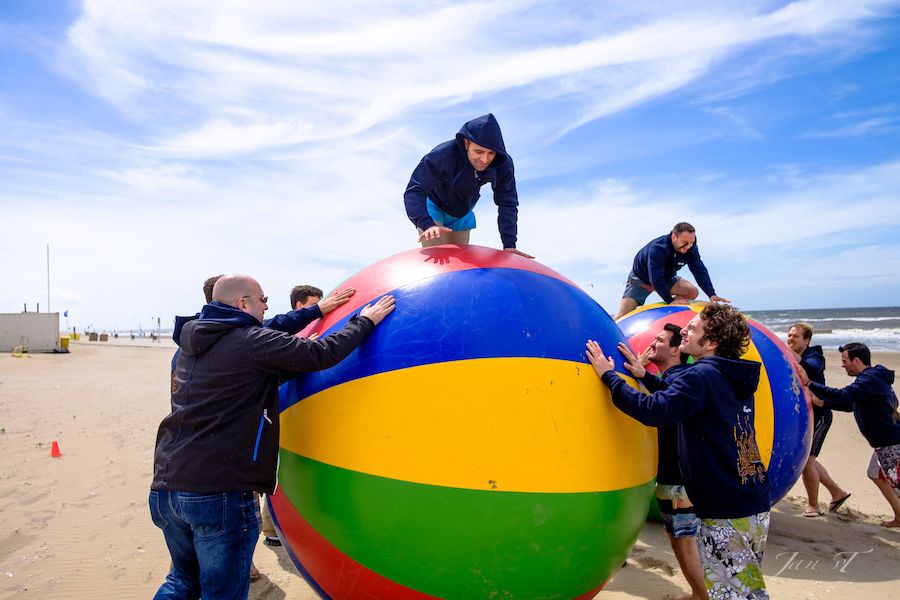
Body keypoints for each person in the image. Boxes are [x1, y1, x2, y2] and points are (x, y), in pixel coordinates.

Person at [150, 274, 396, 599]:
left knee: (182, 581)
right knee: (222, 592)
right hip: (217, 492)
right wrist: (364, 321)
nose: (267, 307)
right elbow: (320, 354)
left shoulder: (188, 347)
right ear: (243, 303)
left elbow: (259, 366)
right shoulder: (250, 341)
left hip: (168, 487)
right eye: (263, 300)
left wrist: (315, 311)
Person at [586, 303, 770, 599]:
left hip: (726, 508)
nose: (684, 329)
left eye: (694, 328)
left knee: (734, 594)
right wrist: (645, 377)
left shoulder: (701, 376)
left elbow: (653, 411)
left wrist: (610, 377)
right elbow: (685, 399)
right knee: (741, 587)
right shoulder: (731, 375)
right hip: (753, 499)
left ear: (711, 342)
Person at [617, 324, 705, 600]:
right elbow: (668, 391)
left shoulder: (684, 376)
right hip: (676, 479)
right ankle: (698, 593)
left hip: (680, 481)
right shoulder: (676, 377)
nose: (653, 343)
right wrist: (643, 374)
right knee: (680, 542)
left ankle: (703, 597)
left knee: (685, 545)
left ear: (677, 349)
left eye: (660, 340)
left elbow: (660, 404)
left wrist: (611, 377)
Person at [403, 113, 534, 258]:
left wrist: (509, 244)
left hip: (462, 212)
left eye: (491, 153)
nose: (485, 159)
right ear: (466, 143)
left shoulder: (502, 164)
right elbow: (414, 191)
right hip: (434, 207)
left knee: (460, 264)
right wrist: (426, 223)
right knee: (440, 258)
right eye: (479, 151)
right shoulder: (443, 155)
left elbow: (507, 203)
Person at [802, 342, 900, 528]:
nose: (842, 365)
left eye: (844, 360)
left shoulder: (869, 380)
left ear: (856, 360)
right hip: (884, 443)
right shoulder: (871, 379)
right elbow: (850, 404)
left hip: (892, 444)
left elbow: (845, 395)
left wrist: (809, 383)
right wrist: (823, 403)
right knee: (875, 474)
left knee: (897, 482)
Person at [786, 323, 850, 517]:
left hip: (820, 415)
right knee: (808, 460)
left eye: (795, 336)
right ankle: (838, 493)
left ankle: (813, 505)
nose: (790, 339)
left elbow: (812, 368)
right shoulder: (793, 354)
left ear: (806, 340)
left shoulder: (815, 356)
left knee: (806, 461)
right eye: (789, 335)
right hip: (805, 414)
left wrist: (786, 352)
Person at [613, 223, 729, 320]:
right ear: (674, 237)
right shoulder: (658, 248)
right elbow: (656, 278)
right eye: (685, 242)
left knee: (692, 292)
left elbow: (699, 270)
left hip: (666, 278)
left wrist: (711, 294)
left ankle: (667, 315)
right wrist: (670, 300)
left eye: (691, 242)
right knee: (624, 315)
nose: (688, 246)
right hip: (641, 279)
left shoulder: (690, 248)